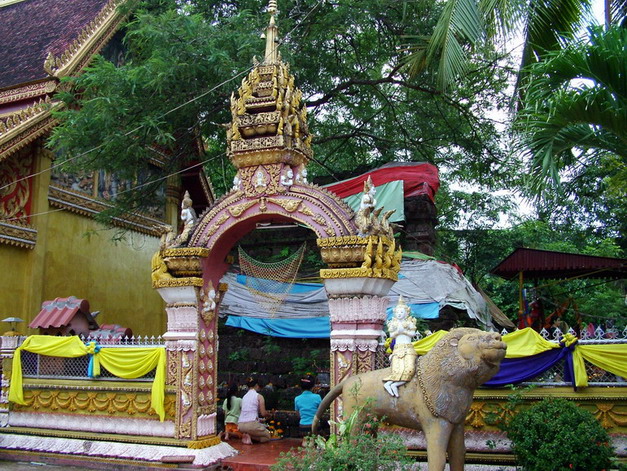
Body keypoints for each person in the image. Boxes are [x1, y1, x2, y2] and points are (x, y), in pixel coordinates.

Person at [382, 296, 417, 397]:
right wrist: (398, 331)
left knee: (410, 369)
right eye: (398, 312)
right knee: (397, 370)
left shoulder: (409, 323)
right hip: (397, 349)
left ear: (406, 313)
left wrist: (404, 331)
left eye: (402, 312)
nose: (399, 314)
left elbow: (413, 334)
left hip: (408, 348)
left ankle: (394, 385)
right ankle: (389, 384)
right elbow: (391, 335)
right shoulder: (394, 323)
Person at [238, 377, 271, 444]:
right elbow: (263, 413)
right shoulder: (259, 396)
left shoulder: (244, 397)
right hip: (251, 425)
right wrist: (269, 414)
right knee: (267, 436)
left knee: (253, 430)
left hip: (240, 425)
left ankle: (247, 436)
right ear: (256, 385)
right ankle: (251, 437)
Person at [294, 375, 321, 441]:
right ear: (313, 386)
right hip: (315, 426)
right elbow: (321, 411)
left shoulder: (297, 399)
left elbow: (297, 414)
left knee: (306, 441)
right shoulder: (317, 397)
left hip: (303, 427)